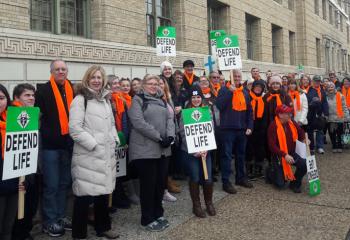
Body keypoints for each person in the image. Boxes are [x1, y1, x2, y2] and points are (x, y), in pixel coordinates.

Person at [69, 65, 120, 239]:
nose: (97, 81)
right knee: (83, 197)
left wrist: (114, 140)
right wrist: (94, 144)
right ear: (87, 79)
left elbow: (111, 124)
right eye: (93, 78)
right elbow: (74, 129)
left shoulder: (105, 99)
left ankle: (103, 227)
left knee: (103, 194)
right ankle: (79, 233)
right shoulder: (80, 99)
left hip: (105, 154)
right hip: (88, 156)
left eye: (99, 77)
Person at [128, 74, 175, 231]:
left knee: (159, 184)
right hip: (145, 150)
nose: (154, 86)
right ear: (143, 84)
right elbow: (138, 123)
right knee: (148, 185)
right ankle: (147, 219)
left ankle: (158, 214)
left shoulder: (162, 99)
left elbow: (170, 118)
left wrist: (170, 136)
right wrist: (158, 137)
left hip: (163, 150)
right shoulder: (138, 99)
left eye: (156, 83)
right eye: (150, 83)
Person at [35, 59, 73, 237]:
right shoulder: (42, 90)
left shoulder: (71, 88)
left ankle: (61, 216)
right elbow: (38, 117)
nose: (60, 72)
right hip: (50, 147)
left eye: (63, 69)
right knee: (51, 185)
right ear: (51, 71)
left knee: (65, 183)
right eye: (57, 69)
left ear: (67, 71)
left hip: (67, 144)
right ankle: (49, 221)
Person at [179, 86, 216, 218]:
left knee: (208, 177)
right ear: (190, 99)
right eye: (193, 97)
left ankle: (209, 203)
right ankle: (196, 205)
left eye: (198, 97)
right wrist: (193, 150)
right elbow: (183, 134)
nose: (196, 99)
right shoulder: (185, 113)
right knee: (194, 177)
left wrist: (206, 148)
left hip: (205, 151)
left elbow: (210, 130)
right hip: (191, 153)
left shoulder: (207, 111)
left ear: (201, 98)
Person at [216, 69, 254, 194]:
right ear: (230, 77)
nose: (237, 78)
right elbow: (219, 106)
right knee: (226, 156)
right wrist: (230, 93)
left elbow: (249, 110)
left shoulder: (244, 91)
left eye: (239, 76)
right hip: (227, 129)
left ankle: (240, 178)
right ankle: (226, 182)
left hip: (241, 129)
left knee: (241, 155)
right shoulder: (224, 89)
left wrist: (249, 126)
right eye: (235, 76)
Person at [11, 84, 38, 240]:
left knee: (30, 205)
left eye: (32, 95)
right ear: (16, 98)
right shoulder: (13, 115)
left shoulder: (34, 113)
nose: (31, 98)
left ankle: (25, 232)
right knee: (19, 207)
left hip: (33, 168)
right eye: (27, 95)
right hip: (18, 171)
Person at [0, 84, 25, 240]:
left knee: (7, 227)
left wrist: (22, 180)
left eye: (2, 98)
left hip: (13, 184)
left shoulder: (15, 121)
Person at [266, 104, 307, 193]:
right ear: (280, 115)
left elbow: (301, 132)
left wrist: (305, 139)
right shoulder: (273, 126)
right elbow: (271, 145)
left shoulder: (292, 122)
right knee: (280, 184)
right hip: (279, 156)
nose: (290, 115)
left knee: (305, 164)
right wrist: (284, 155)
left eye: (290, 113)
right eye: (287, 113)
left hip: (292, 152)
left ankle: (295, 184)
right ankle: (270, 172)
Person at [159, 77, 180, 201]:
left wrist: (175, 133)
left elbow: (172, 118)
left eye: (162, 83)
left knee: (168, 165)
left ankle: (166, 188)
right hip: (162, 137)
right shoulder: (156, 99)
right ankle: (162, 191)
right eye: (158, 83)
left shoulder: (168, 97)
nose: (160, 85)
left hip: (171, 134)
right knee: (161, 167)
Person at [246, 80, 268, 179]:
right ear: (253, 87)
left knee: (260, 150)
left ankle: (258, 169)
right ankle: (249, 170)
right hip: (250, 127)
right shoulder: (248, 97)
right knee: (249, 149)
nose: (258, 88)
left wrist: (264, 127)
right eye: (256, 86)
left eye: (260, 87)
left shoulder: (263, 99)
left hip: (260, 128)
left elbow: (266, 114)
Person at [306, 75, 329, 154]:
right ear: (312, 81)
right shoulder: (309, 90)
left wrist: (326, 113)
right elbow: (307, 101)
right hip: (311, 114)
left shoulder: (322, 90)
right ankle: (311, 147)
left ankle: (320, 146)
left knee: (320, 131)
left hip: (320, 114)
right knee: (310, 131)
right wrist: (313, 103)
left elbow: (325, 102)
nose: (317, 82)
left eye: (318, 81)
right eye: (315, 81)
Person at [325, 82, 349, 153]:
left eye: (332, 87)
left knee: (339, 133)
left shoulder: (341, 96)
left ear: (334, 87)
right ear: (327, 88)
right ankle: (334, 145)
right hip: (330, 118)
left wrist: (347, 116)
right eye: (329, 87)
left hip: (339, 118)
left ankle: (340, 146)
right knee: (332, 133)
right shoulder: (325, 96)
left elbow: (344, 107)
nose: (330, 88)